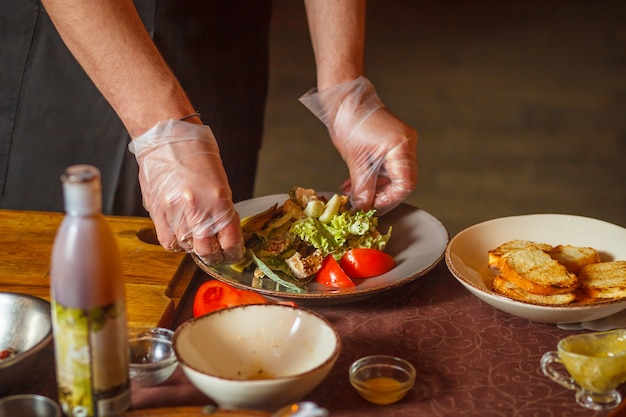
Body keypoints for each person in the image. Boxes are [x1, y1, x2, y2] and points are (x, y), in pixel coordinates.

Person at [0, 0, 418, 265]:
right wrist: (160, 127)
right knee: (62, 265)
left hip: (218, 25)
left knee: (209, 255)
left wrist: (345, 91)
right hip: (82, 30)